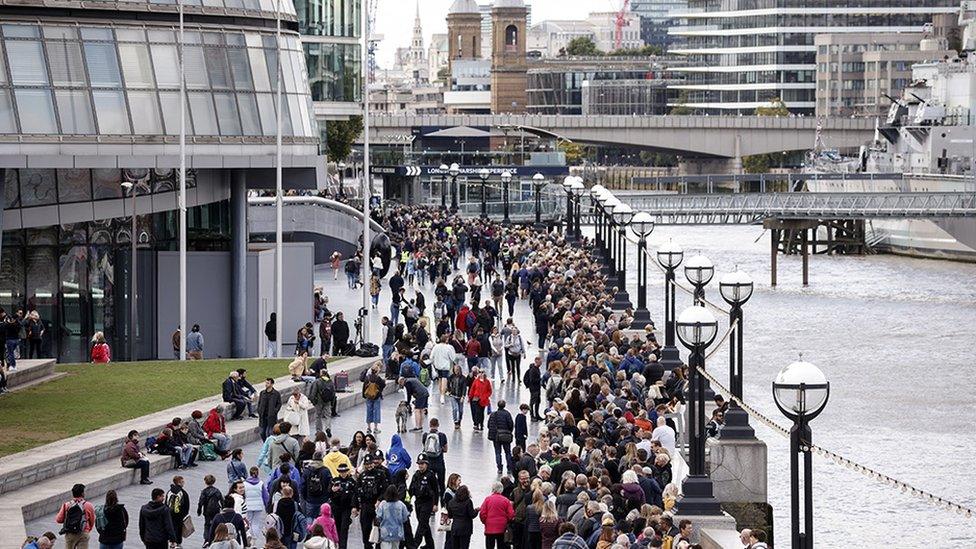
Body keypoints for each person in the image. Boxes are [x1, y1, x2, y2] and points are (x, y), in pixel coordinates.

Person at [408, 455, 439, 549]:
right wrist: (407, 501)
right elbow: (411, 489)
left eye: (422, 464)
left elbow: (436, 490)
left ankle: (415, 544)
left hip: (427, 502)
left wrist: (435, 504)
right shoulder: (416, 475)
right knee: (424, 523)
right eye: (419, 464)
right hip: (418, 502)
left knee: (422, 524)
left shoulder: (431, 475)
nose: (420, 466)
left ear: (427, 464)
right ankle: (430, 545)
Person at [55, 483, 96, 549]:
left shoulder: (66, 505)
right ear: (82, 493)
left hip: (70, 533)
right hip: (83, 532)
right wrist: (87, 529)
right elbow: (92, 520)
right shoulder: (88, 505)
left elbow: (58, 520)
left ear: (73, 493)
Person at [329, 463, 357, 549]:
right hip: (336, 507)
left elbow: (355, 495)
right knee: (337, 528)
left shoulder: (352, 482)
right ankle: (336, 545)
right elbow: (328, 493)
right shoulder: (335, 481)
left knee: (344, 528)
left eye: (344, 471)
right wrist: (332, 490)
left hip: (346, 508)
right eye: (341, 472)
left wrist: (354, 507)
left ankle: (343, 547)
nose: (343, 473)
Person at [479, 482, 514, 549]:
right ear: (502, 489)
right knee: (501, 545)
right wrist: (506, 520)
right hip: (502, 527)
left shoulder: (487, 499)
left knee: (489, 546)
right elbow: (511, 514)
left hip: (490, 527)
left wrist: (485, 522)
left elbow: (482, 513)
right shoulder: (505, 500)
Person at [486, 400, 515, 476]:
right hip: (506, 436)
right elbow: (511, 424)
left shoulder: (493, 414)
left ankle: (499, 468)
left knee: (498, 453)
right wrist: (509, 431)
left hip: (496, 437)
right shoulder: (507, 414)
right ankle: (509, 468)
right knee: (508, 452)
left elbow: (489, 425)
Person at [360, 362, 386, 434]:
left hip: (368, 396)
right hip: (376, 396)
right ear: (377, 371)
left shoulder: (367, 378)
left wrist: (364, 395)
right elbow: (383, 385)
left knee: (369, 411)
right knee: (376, 411)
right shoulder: (378, 378)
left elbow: (364, 387)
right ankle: (375, 428)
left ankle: (368, 427)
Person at [309, 369, 337, 438]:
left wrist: (313, 401)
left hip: (319, 402)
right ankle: (328, 428)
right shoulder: (330, 382)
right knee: (328, 416)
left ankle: (319, 431)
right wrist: (332, 403)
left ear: (321, 374)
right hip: (328, 402)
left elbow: (313, 393)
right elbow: (333, 393)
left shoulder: (317, 381)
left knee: (318, 416)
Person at [198, 475, 224, 546]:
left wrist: (199, 510)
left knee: (207, 525)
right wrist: (223, 508)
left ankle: (206, 539)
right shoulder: (217, 491)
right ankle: (214, 538)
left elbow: (201, 502)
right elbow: (222, 500)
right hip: (216, 509)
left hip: (207, 511)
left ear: (205, 482)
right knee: (215, 524)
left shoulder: (204, 491)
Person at [165, 475, 190, 548]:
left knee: (171, 526)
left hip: (169, 513)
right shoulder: (183, 492)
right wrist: (184, 514)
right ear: (179, 482)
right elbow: (186, 505)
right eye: (182, 481)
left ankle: (171, 541)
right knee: (178, 528)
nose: (184, 483)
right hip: (179, 514)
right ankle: (178, 542)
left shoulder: (169, 491)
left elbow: (166, 503)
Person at [524, 356, 543, 421]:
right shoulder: (533, 370)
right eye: (540, 362)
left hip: (537, 388)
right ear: (536, 361)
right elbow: (532, 380)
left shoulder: (537, 368)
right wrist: (540, 379)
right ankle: (532, 415)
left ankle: (537, 415)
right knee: (533, 402)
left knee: (537, 401)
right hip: (534, 388)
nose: (541, 363)